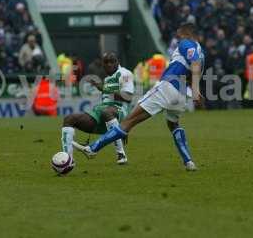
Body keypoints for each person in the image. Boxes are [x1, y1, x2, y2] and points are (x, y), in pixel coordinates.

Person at [74, 23, 204, 171]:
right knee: (173, 124)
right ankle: (188, 162)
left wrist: (195, 89)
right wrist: (194, 89)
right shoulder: (202, 52)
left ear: (187, 33)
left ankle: (92, 149)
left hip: (168, 87)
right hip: (181, 94)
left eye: (179, 35)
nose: (177, 38)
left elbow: (194, 62)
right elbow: (197, 66)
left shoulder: (187, 43)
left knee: (129, 121)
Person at [61, 52, 134, 165]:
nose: (109, 64)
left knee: (106, 112)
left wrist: (104, 88)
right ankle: (67, 160)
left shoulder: (125, 74)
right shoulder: (107, 79)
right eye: (106, 62)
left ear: (117, 62)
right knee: (69, 119)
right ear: (102, 65)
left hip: (119, 110)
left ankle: (121, 154)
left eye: (112, 61)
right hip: (103, 114)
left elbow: (128, 97)